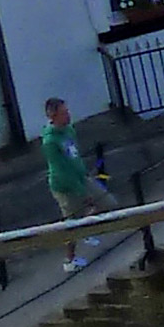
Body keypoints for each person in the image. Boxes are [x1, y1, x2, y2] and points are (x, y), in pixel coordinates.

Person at [39, 98, 114, 270]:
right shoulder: (50, 141)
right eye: (64, 113)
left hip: (80, 177)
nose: (68, 115)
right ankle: (69, 260)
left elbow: (74, 156)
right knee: (71, 223)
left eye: (67, 111)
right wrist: (81, 192)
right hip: (64, 186)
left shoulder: (69, 130)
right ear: (53, 115)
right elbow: (61, 170)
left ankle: (86, 227)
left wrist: (84, 174)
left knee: (107, 202)